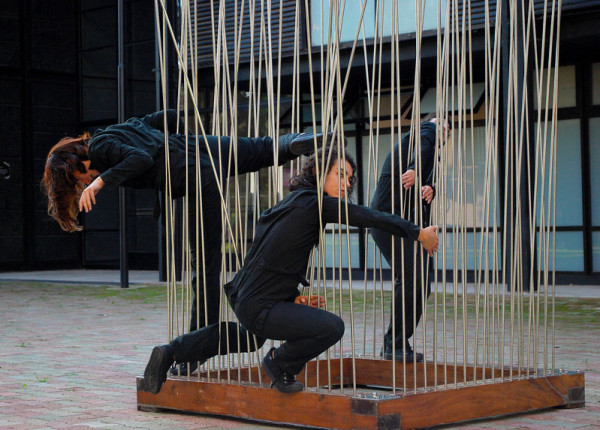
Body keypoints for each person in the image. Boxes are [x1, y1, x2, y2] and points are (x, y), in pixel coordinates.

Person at [41, 109, 323, 375]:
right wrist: (181, 142)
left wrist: (100, 182)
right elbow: (167, 116)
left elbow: (141, 159)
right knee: (260, 148)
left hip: (194, 175)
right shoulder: (114, 131)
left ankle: (196, 349)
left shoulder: (101, 150)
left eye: (79, 179)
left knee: (205, 266)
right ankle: (297, 141)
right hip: (198, 148)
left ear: (75, 162)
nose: (84, 181)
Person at [143, 147, 439, 395]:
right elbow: (369, 217)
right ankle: (279, 363)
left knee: (248, 338)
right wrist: (418, 233)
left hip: (247, 297)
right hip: (259, 304)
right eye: (340, 175)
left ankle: (170, 352)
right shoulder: (316, 205)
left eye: (350, 178)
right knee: (331, 327)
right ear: (319, 172)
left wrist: (291, 298)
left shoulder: (292, 203)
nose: (347, 184)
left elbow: (274, 255)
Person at [370, 113, 450, 362]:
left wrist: (430, 187)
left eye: (449, 130)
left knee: (421, 282)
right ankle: (393, 344)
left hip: (406, 226)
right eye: (442, 125)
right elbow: (423, 145)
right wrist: (415, 169)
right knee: (411, 276)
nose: (445, 130)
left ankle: (396, 341)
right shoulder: (423, 133)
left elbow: (425, 182)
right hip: (387, 221)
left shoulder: (429, 157)